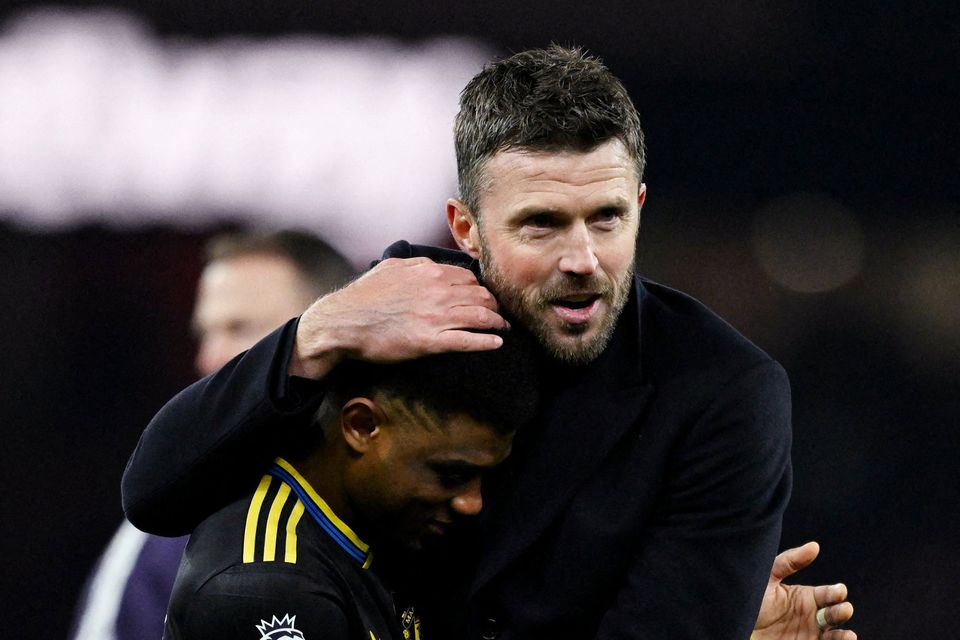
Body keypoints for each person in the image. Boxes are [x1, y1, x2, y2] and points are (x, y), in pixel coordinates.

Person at [123, 46, 852, 638]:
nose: (583, 259)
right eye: (542, 223)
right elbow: (157, 491)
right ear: (466, 229)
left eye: (605, 218)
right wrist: (318, 329)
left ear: (639, 207)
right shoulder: (398, 309)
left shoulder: (723, 392)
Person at [164, 327, 541, 640]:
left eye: (484, 477)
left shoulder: (382, 529)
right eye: (451, 474)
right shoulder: (267, 588)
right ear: (362, 426)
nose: (471, 503)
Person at [70, 230, 356, 640]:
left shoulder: (424, 494)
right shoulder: (164, 529)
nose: (208, 357)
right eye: (205, 333)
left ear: (335, 329)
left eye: (239, 327)